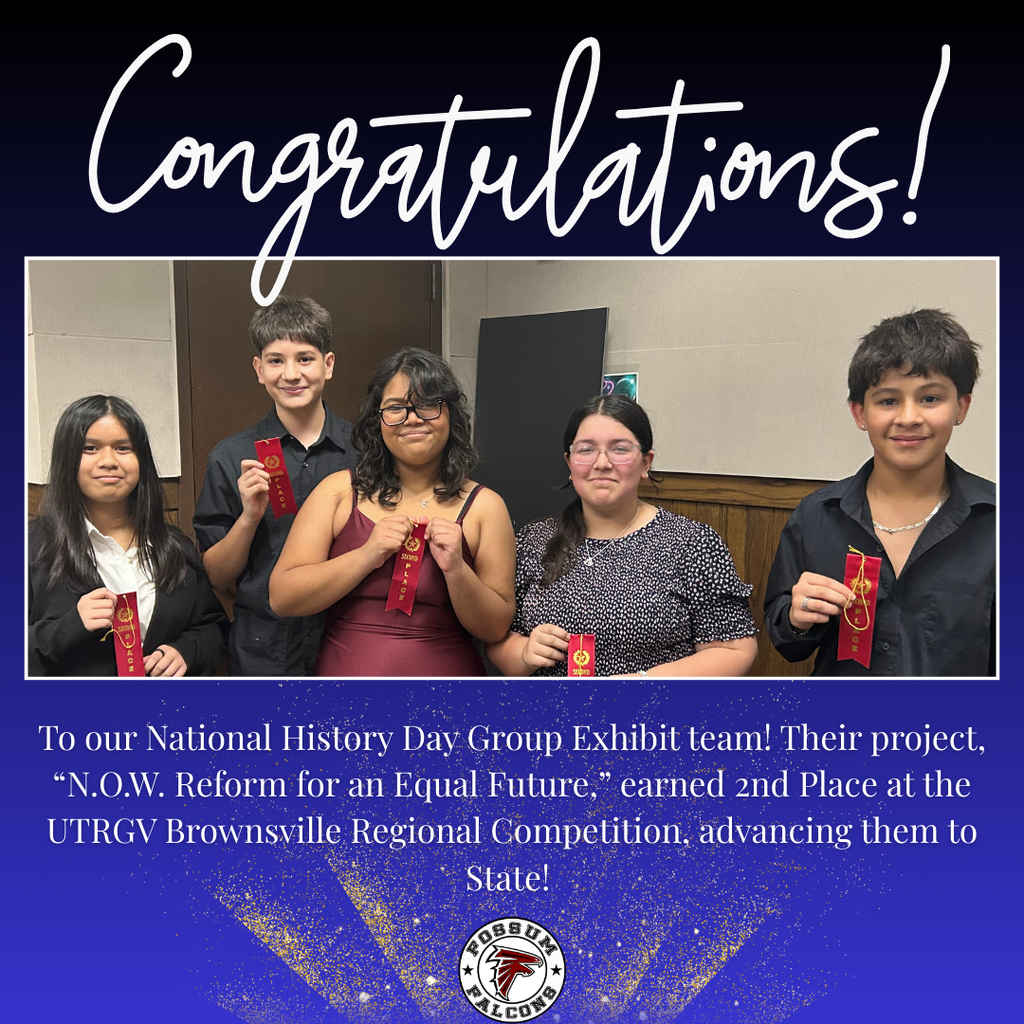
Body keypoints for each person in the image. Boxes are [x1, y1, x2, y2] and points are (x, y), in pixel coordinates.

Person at [764, 309, 995, 676]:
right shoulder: (816, 515)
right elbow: (787, 643)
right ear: (860, 413)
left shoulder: (998, 524)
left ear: (960, 407)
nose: (908, 417)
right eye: (888, 401)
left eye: (930, 399)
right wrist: (796, 617)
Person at [269, 347, 516, 676]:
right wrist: (366, 556)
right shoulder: (338, 491)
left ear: (450, 415)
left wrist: (457, 570)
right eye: (396, 408)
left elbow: (495, 629)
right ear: (378, 420)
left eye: (428, 405)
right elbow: (283, 598)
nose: (412, 418)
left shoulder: (485, 506)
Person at [487, 396, 758, 677]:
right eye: (586, 450)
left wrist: (637, 686)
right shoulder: (534, 540)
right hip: (553, 713)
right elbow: (496, 638)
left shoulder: (692, 542)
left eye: (619, 449)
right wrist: (524, 652)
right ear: (569, 462)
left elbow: (733, 651)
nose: (601, 463)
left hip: (652, 714)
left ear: (646, 462)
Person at [193, 296, 354, 675]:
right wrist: (249, 518)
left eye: (305, 358)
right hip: (260, 650)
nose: (291, 374)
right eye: (276, 360)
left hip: (345, 641)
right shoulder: (230, 457)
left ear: (327, 365)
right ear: (258, 369)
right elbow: (218, 576)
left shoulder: (364, 451)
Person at [29, 396, 228, 677]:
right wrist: (71, 625)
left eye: (123, 448)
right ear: (67, 458)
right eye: (90, 448)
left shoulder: (173, 546)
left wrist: (188, 649)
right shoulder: (32, 548)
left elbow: (214, 625)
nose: (109, 461)